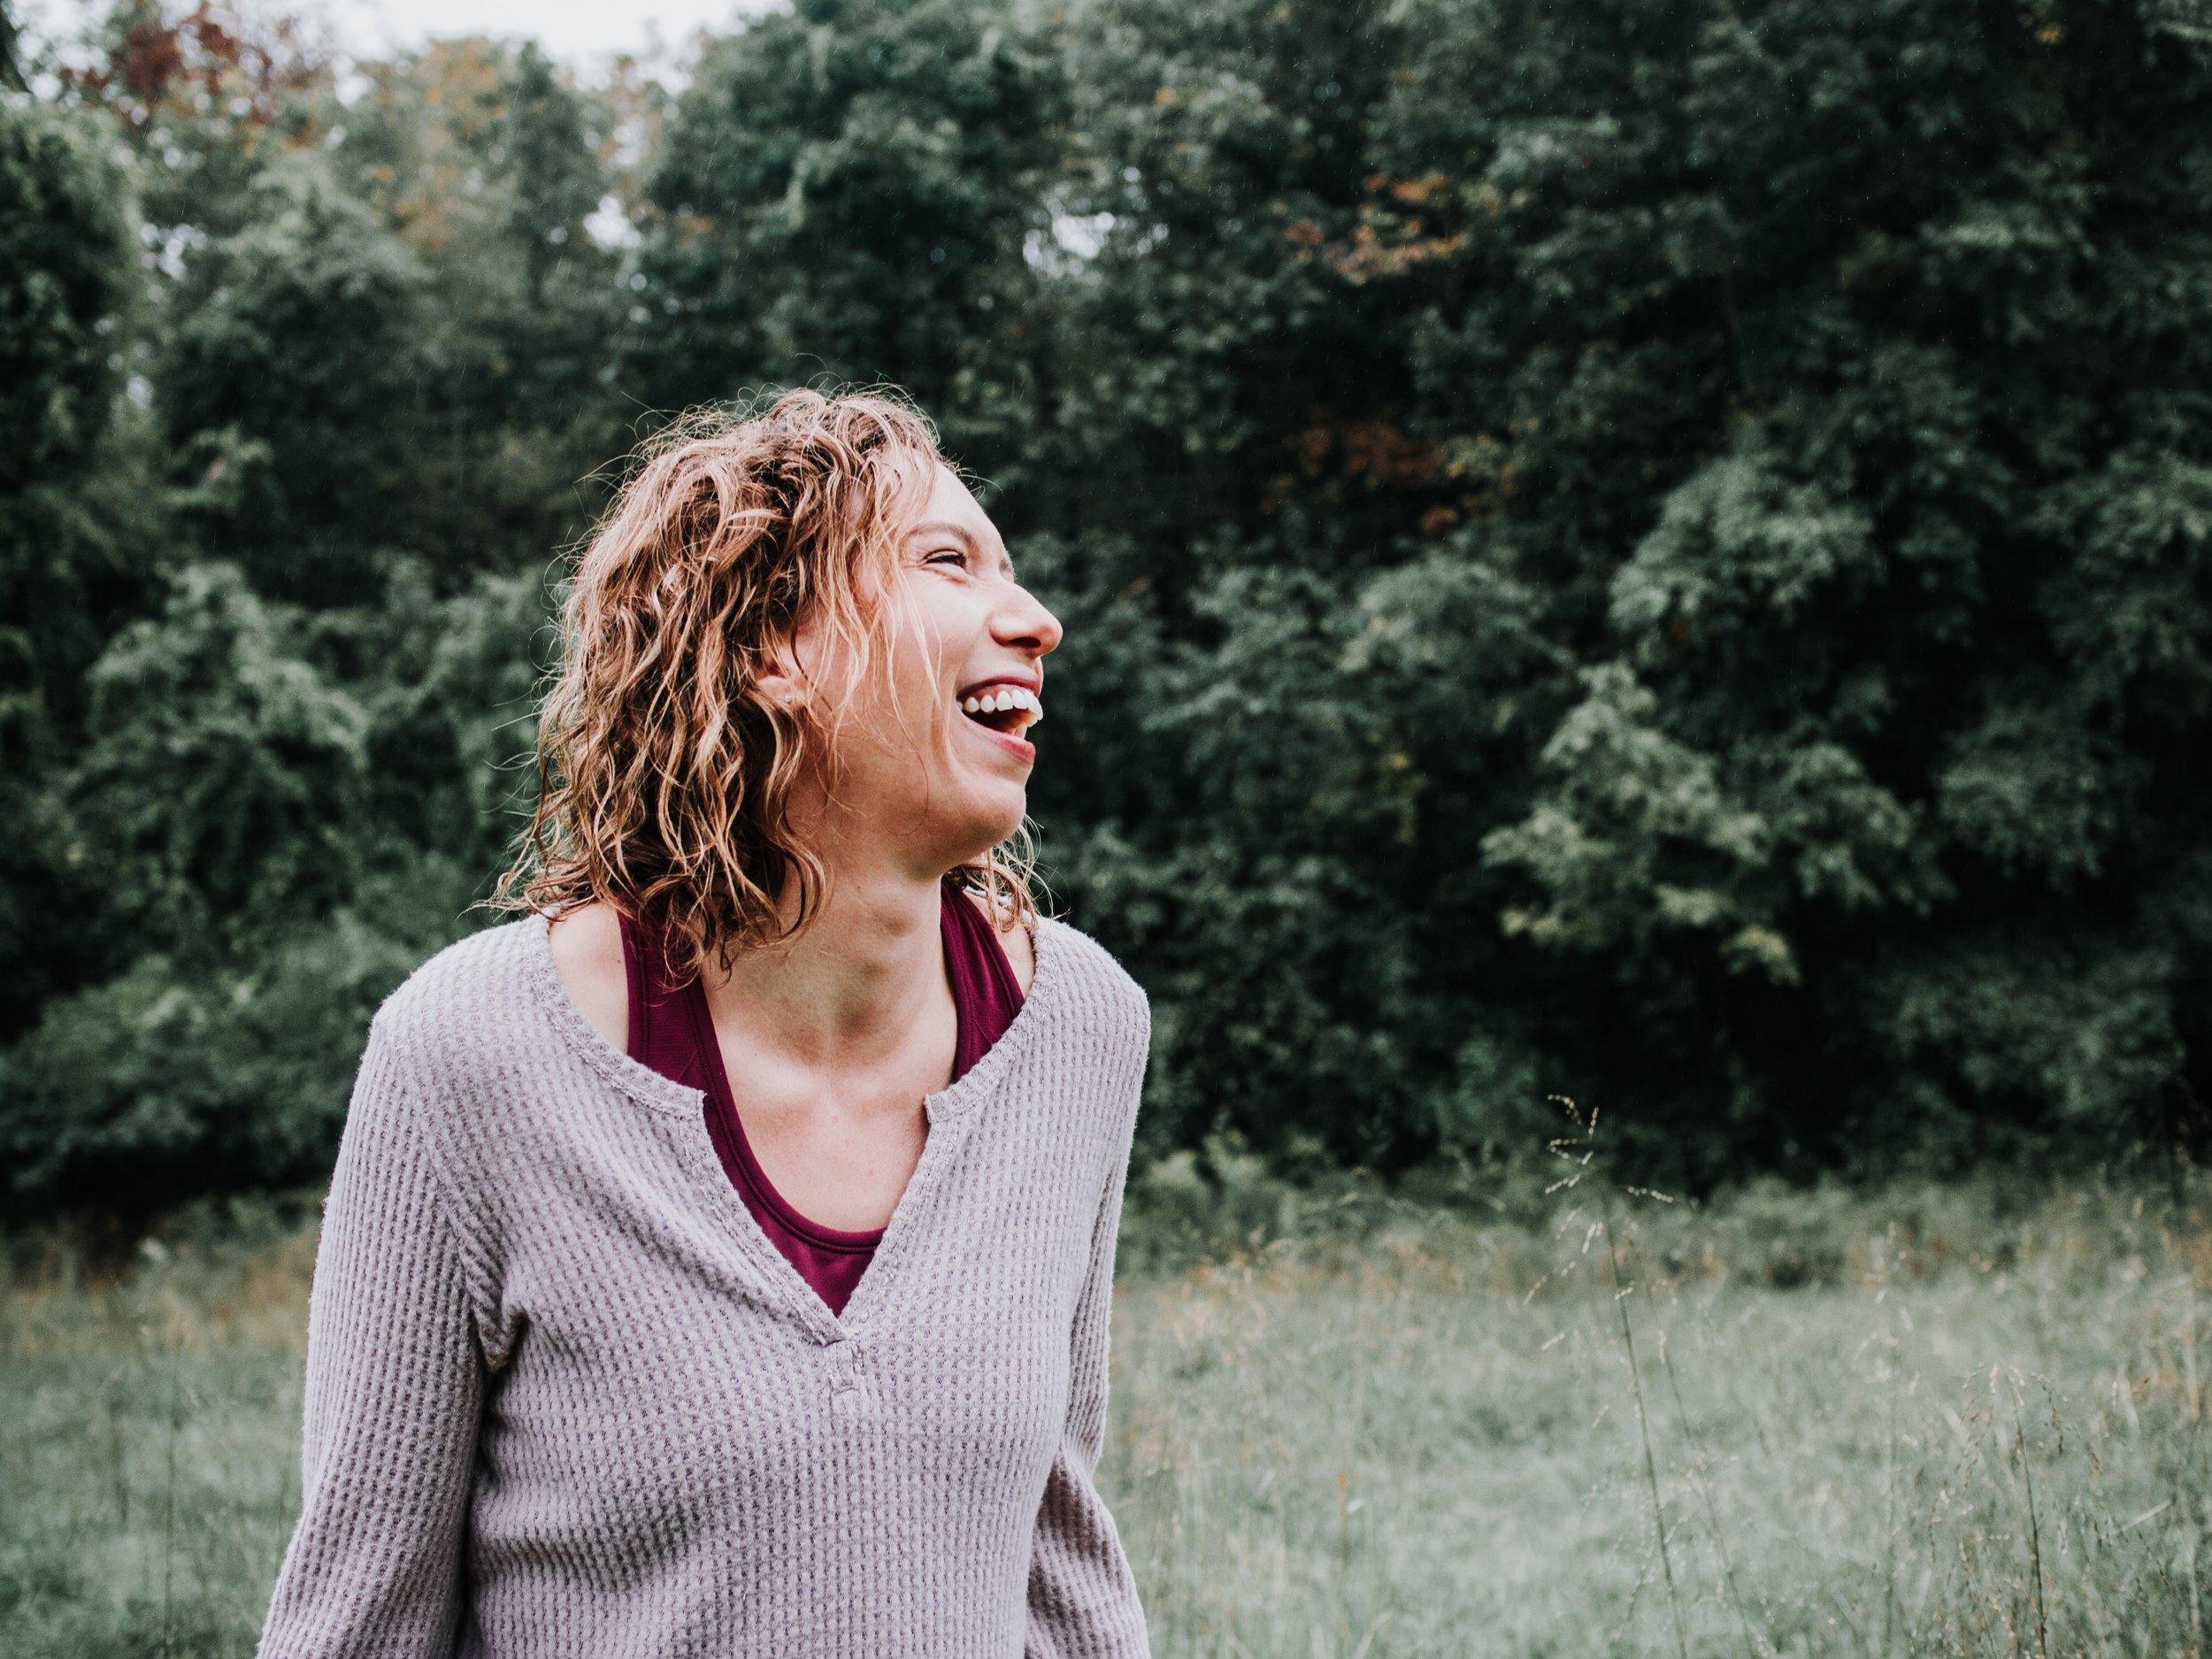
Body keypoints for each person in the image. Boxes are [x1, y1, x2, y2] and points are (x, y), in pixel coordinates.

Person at [254, 390, 1153, 1657]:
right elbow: (361, 1623)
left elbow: (1061, 1568)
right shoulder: (469, 1057)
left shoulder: (1080, 1034)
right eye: (947, 561)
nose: (1036, 620)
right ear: (770, 648)